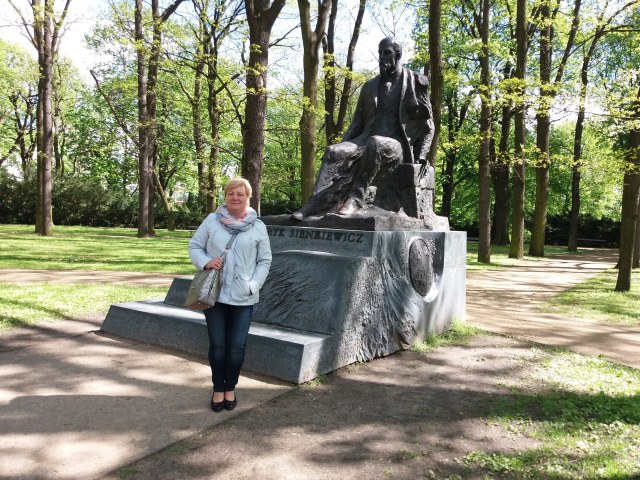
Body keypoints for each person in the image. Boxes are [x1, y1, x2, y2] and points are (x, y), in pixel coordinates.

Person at [292, 36, 434, 219]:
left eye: (387, 53)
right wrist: (343, 146)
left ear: (398, 55)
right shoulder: (369, 86)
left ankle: (355, 200)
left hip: (397, 146)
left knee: (376, 143)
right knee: (333, 151)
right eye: (380, 53)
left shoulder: (415, 82)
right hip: (365, 141)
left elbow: (428, 125)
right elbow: (357, 123)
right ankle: (315, 203)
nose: (381, 57)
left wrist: (422, 155)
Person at [188, 177, 272, 412]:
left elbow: (265, 260)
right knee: (218, 345)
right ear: (225, 196)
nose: (235, 198)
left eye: (240, 194)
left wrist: (252, 285)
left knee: (237, 347)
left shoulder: (258, 226)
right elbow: (195, 246)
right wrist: (206, 262)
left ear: (248, 198)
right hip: (214, 295)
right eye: (230, 193)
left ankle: (230, 388)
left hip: (243, 297)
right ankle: (218, 388)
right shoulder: (212, 221)